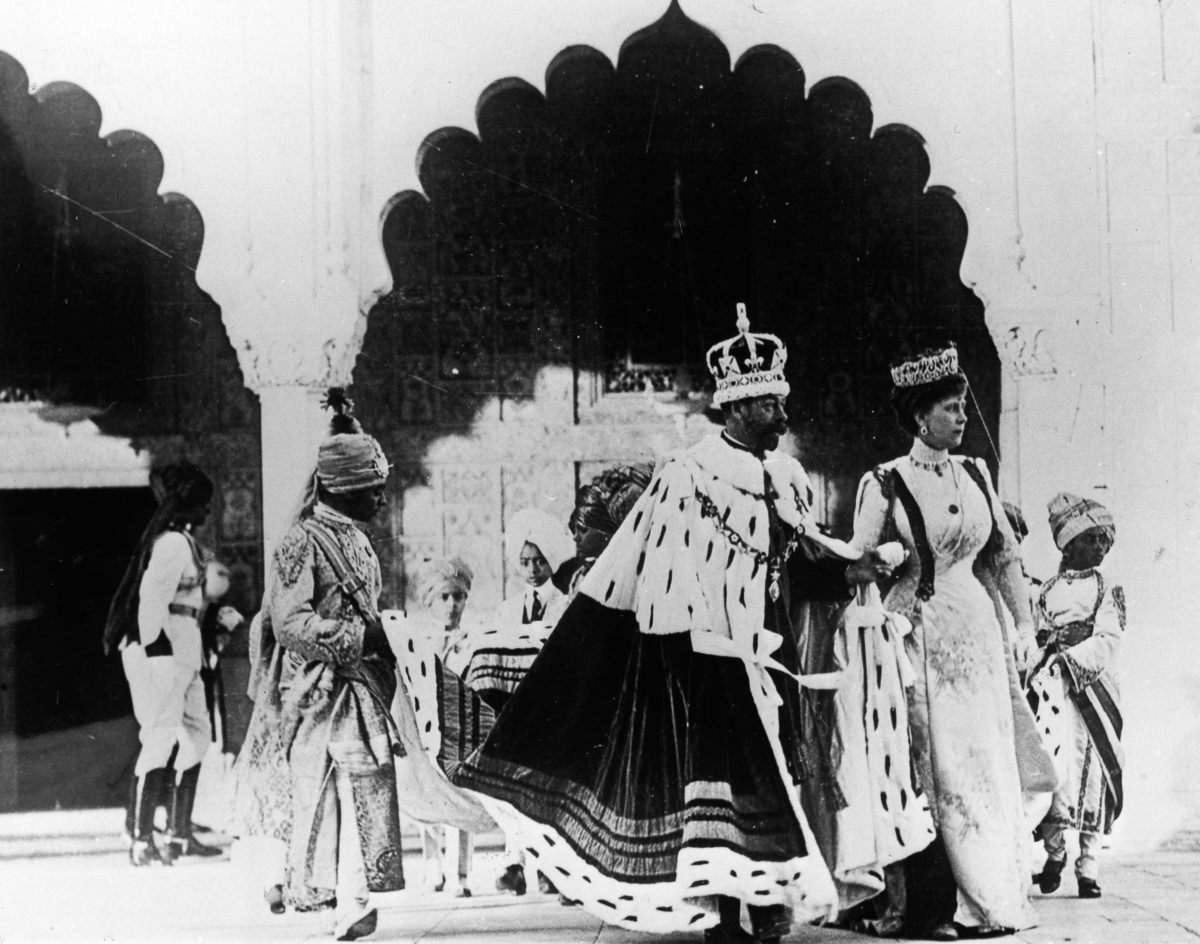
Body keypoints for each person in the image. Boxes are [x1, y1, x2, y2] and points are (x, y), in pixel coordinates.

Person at [455, 304, 894, 944]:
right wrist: (688, 659)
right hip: (706, 657)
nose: (782, 416)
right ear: (738, 407)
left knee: (774, 773)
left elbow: (796, 568)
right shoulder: (687, 477)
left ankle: (769, 903)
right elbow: (650, 578)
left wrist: (854, 572)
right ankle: (725, 915)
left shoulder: (786, 477)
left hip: (773, 655)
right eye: (771, 404)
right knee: (721, 786)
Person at [850, 344, 1052, 940]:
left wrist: (1022, 626)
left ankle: (990, 894)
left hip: (978, 634)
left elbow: (1006, 556)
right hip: (918, 634)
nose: (963, 417)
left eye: (964, 406)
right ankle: (938, 902)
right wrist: (880, 561)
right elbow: (857, 562)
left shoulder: (976, 473)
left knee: (985, 759)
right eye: (950, 407)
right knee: (937, 762)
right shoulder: (885, 481)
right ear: (920, 418)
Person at [251, 389, 404, 941]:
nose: (383, 502)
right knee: (327, 797)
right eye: (376, 491)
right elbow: (290, 622)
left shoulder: (357, 539)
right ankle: (341, 901)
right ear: (345, 489)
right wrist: (364, 634)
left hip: (357, 686)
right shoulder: (301, 541)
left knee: (366, 785)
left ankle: (357, 903)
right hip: (316, 692)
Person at [104, 463, 236, 866]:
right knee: (160, 737)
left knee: (197, 736)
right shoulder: (172, 544)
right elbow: (151, 604)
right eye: (205, 503)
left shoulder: (186, 544)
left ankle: (179, 835)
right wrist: (158, 656)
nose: (210, 510)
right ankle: (142, 839)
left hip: (185, 653)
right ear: (189, 504)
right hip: (160, 653)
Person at [462, 506, 574, 896]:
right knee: (512, 792)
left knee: (548, 791)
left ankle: (552, 871)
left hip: (554, 714)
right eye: (525, 561)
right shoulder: (508, 609)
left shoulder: (567, 607)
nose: (531, 569)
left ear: (552, 560)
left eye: (539, 560)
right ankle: (515, 865)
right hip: (514, 712)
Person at [1028, 494, 1124, 900]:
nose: (1100, 548)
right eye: (1092, 540)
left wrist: (1071, 657)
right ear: (1068, 545)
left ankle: (1088, 868)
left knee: (1092, 771)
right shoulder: (1045, 591)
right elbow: (1033, 635)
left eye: (1105, 541)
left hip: (1092, 691)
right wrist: (1047, 647)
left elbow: (1108, 638)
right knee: (1053, 766)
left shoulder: (1108, 589)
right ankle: (1055, 853)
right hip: (1053, 688)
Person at [399, 556, 487, 897]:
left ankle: (460, 874)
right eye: (444, 598)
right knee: (429, 792)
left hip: (462, 724)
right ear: (430, 601)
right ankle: (433, 863)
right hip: (425, 723)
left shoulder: (475, 635)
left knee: (460, 796)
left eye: (458, 597)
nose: (452, 605)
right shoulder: (418, 639)